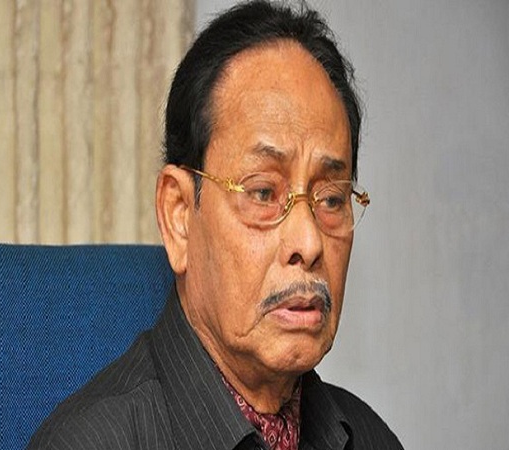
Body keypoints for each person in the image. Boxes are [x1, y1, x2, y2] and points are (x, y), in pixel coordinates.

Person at [28, 1, 403, 449]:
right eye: (263, 193)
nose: (309, 241)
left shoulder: (370, 437)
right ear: (179, 216)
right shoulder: (91, 443)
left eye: (331, 199)